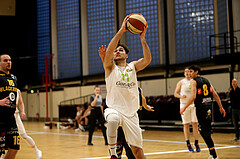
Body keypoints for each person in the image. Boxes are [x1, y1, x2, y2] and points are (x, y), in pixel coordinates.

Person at [101, 15, 151, 159]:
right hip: (114, 108)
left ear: (127, 55)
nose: (117, 51)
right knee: (112, 119)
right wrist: (122, 30)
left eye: (121, 50)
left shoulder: (133, 67)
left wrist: (142, 39)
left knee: (138, 151)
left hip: (131, 113)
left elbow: (147, 60)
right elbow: (109, 51)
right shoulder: (110, 67)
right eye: (116, 51)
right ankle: (113, 154)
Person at [180, 65, 226, 159]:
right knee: (206, 131)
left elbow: (193, 97)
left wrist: (184, 107)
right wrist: (221, 107)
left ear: (196, 72)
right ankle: (211, 153)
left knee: (203, 131)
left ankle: (213, 154)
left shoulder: (193, 82)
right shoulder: (206, 80)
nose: (190, 73)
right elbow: (215, 95)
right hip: (209, 107)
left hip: (201, 108)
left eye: (191, 71)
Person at [174, 68, 200, 152]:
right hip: (184, 105)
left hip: (194, 104)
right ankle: (188, 143)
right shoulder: (181, 82)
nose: (187, 73)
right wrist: (180, 96)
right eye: (186, 72)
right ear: (184, 73)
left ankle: (196, 142)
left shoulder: (194, 81)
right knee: (186, 124)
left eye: (189, 71)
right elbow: (175, 93)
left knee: (195, 124)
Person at [0, 54, 19, 159]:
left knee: (14, 147)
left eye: (10, 60)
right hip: (0, 118)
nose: (8, 62)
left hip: (11, 118)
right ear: (0, 63)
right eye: (5, 60)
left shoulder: (13, 77)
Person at [14, 89, 42, 159]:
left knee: (24, 135)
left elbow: (21, 102)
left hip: (16, 115)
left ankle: (37, 150)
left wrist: (22, 111)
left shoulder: (17, 91)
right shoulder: (3, 88)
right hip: (4, 115)